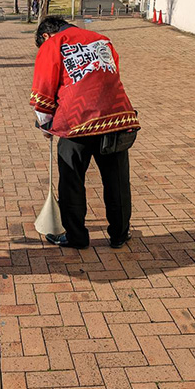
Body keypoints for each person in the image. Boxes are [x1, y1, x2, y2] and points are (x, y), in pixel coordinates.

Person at [30, 16, 140, 249]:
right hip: (116, 117)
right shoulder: (103, 40)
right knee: (117, 180)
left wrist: (45, 123)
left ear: (46, 36)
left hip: (76, 121)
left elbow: (43, 88)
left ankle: (77, 236)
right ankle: (120, 234)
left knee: (72, 181)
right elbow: (111, 74)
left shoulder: (54, 44)